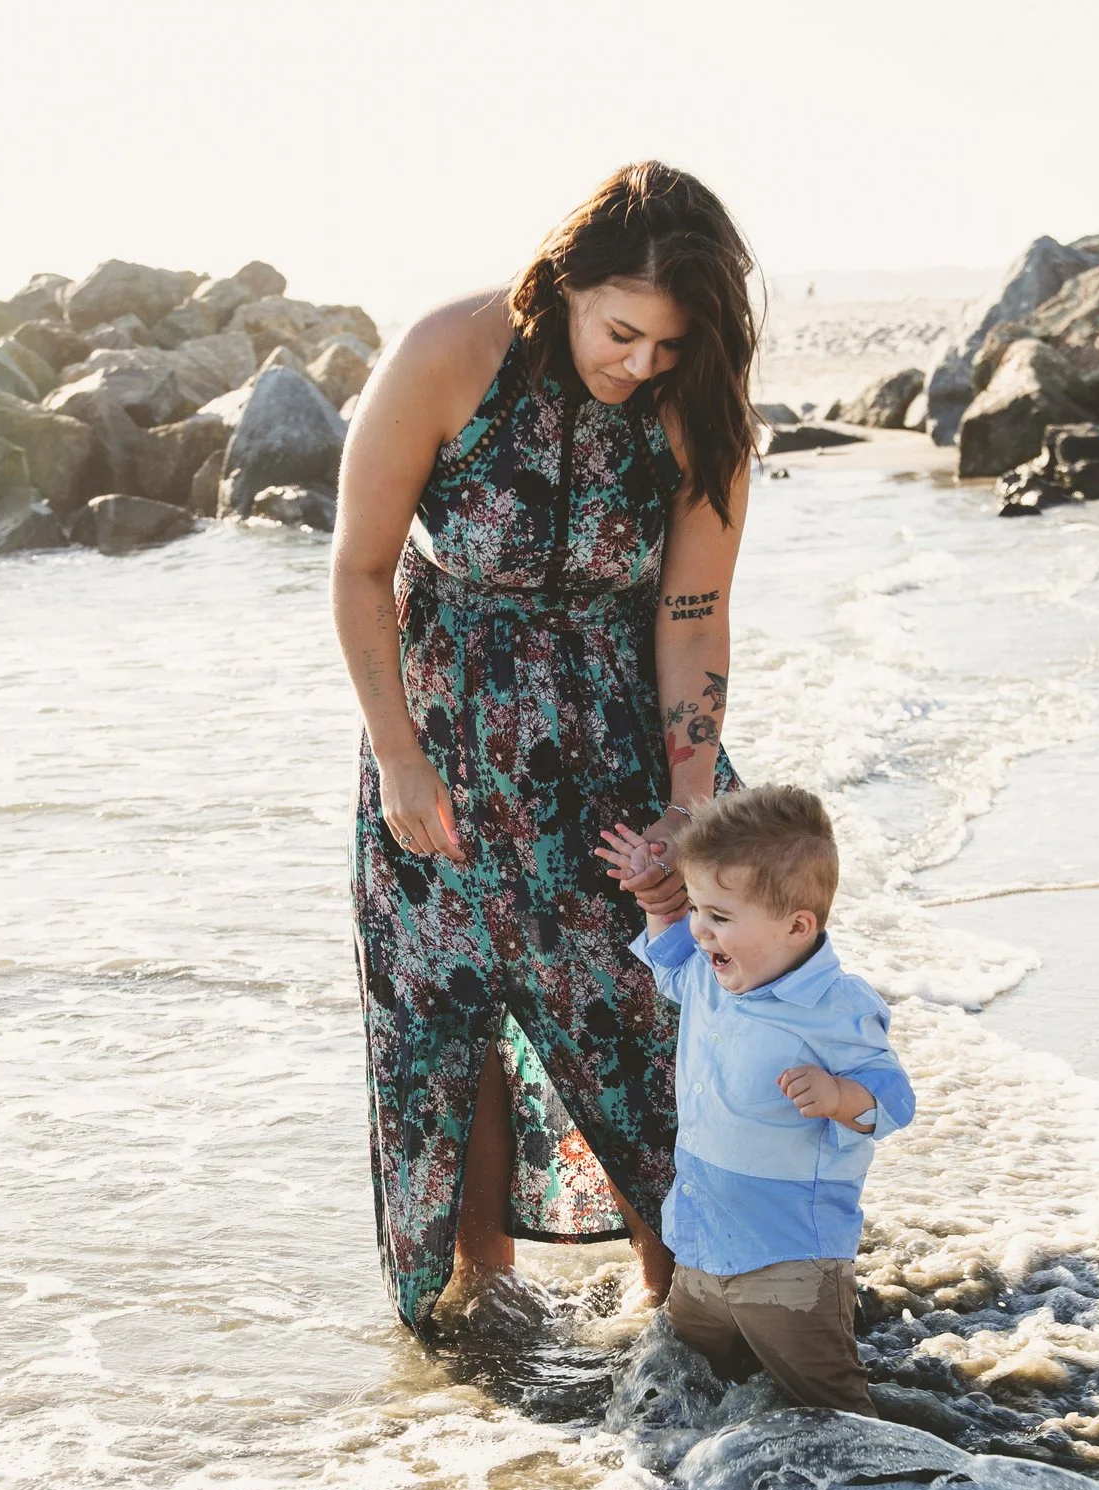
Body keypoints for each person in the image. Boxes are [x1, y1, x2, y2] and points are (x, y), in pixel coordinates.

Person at [331, 161, 761, 1334]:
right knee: (446, 1020)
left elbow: (691, 612)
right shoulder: (447, 354)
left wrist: (688, 803)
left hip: (622, 759)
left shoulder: (699, 405)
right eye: (622, 333)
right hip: (444, 753)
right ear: (563, 283)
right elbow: (362, 568)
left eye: (667, 347)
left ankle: (682, 1301)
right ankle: (482, 1300)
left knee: (649, 1011)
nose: (639, 365)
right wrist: (399, 757)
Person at [598, 785, 916, 1413]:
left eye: (719, 916)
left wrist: (839, 1095)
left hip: (788, 1263)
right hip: (700, 1244)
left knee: (833, 1411)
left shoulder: (837, 1009)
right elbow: (669, 966)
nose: (699, 929)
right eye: (695, 907)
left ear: (797, 925)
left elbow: (895, 1100)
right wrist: (653, 903)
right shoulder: (719, 978)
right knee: (678, 1390)